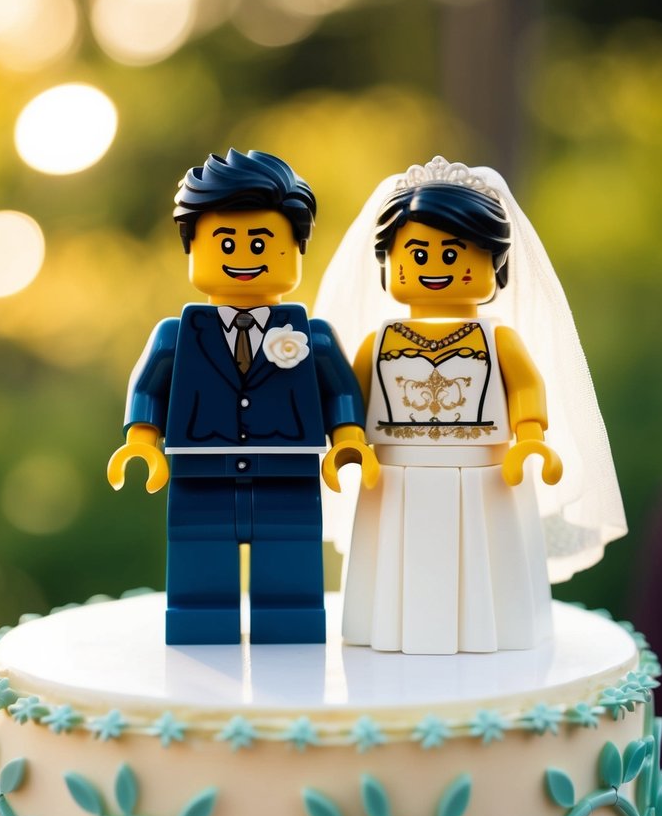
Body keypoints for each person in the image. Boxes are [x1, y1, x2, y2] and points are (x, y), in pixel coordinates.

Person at [315, 157, 626, 653]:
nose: (436, 268)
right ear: (388, 265)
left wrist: (529, 438)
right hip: (393, 476)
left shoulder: (498, 338)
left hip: (485, 474)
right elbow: (350, 398)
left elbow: (526, 386)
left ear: (494, 264)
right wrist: (349, 440)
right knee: (401, 559)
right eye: (418, 255)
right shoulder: (377, 343)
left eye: (456, 253)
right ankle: (388, 628)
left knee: (485, 559)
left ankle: (491, 632)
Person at [108, 148, 378, 645]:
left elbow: (341, 388)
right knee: (198, 558)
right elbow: (148, 386)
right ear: (192, 249)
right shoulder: (177, 334)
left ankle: (291, 623)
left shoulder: (311, 334)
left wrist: (348, 439)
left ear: (297, 249)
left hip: (288, 472)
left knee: (291, 559)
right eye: (224, 241)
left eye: (262, 242)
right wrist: (142, 441)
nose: (243, 256)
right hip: (200, 472)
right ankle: (199, 621)